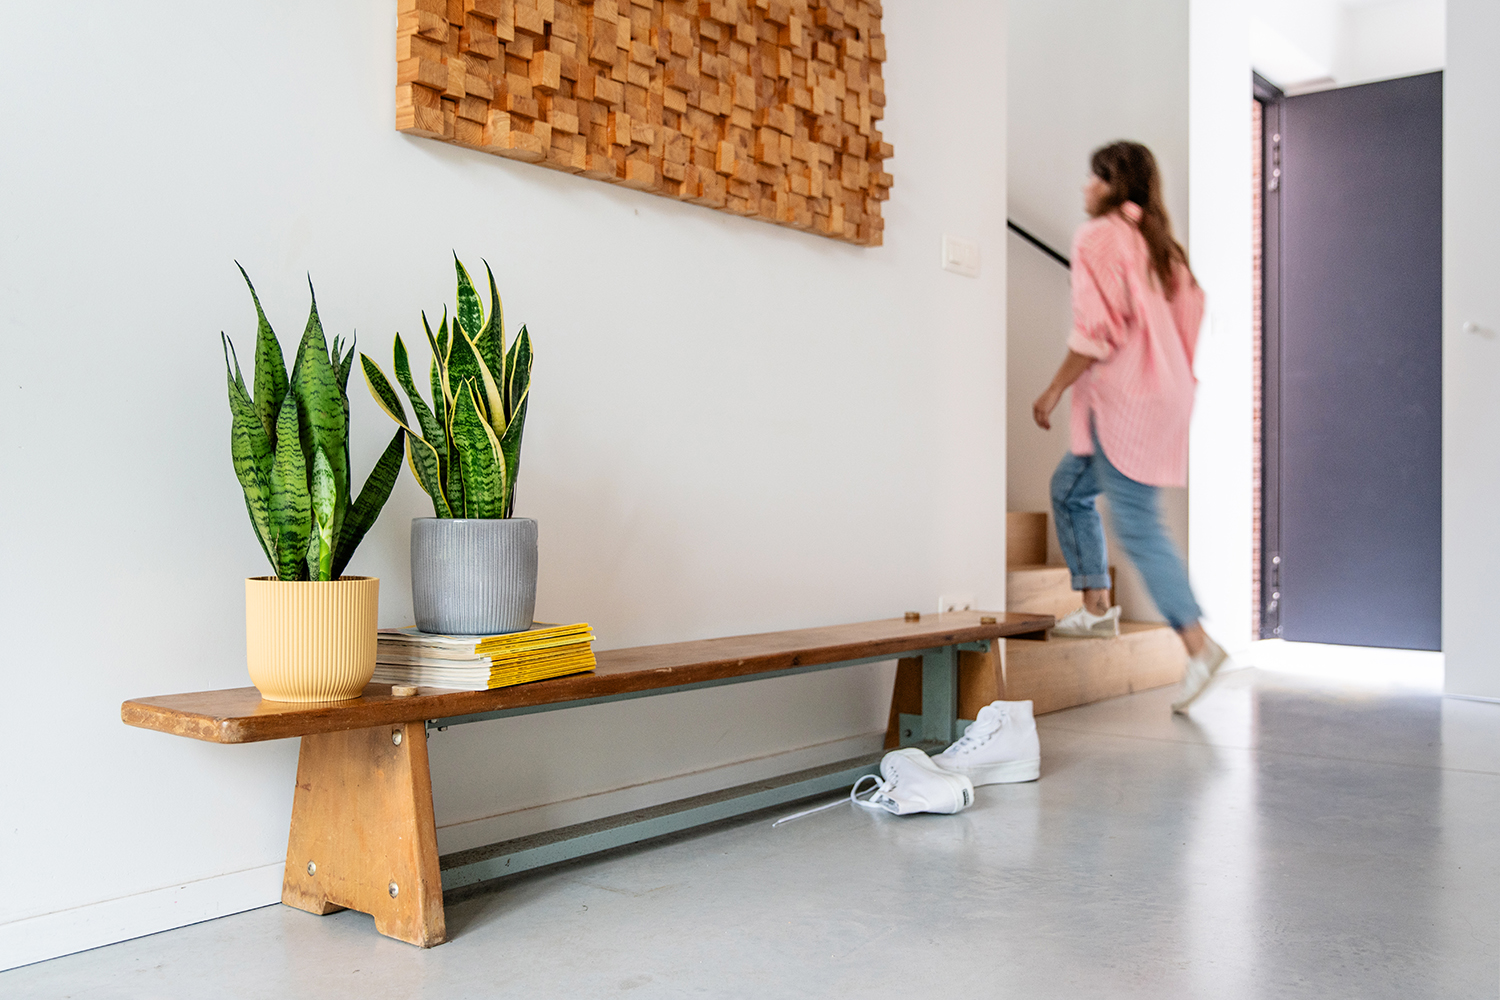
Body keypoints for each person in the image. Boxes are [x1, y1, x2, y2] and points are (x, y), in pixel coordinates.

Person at [1031, 140, 1227, 714]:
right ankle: (1095, 608)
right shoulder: (1162, 246)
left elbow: (1097, 331)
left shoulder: (1098, 236)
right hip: (1162, 398)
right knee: (1069, 489)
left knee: (1138, 525)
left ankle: (1198, 646)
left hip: (1125, 402)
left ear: (1113, 182)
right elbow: (1189, 317)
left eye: (1093, 177)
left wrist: (1052, 388)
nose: (1085, 188)